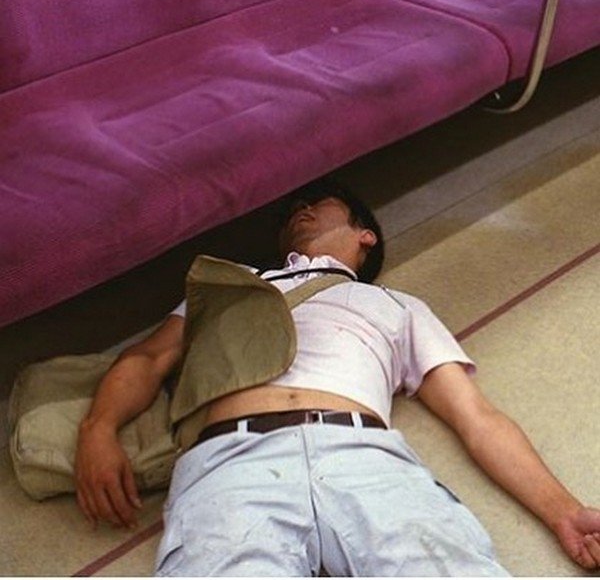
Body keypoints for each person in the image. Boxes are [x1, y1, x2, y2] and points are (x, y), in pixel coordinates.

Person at [75, 180, 600, 576]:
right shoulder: (230, 285)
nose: (300, 209)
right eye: (294, 210)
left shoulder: (397, 304)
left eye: (319, 203)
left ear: (365, 234)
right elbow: (148, 358)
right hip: (231, 463)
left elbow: (477, 418)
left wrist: (564, 512)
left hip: (365, 456)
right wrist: (97, 429)